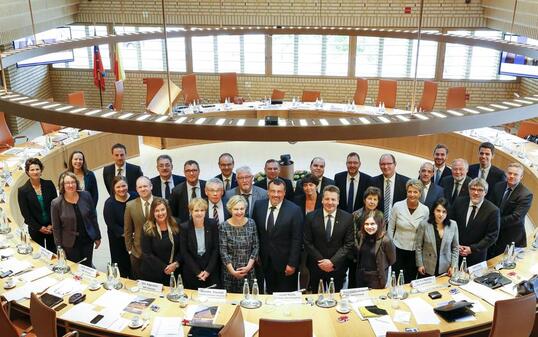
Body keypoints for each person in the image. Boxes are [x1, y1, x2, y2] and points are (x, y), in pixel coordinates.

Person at [252, 178, 303, 293]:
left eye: (279, 192)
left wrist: (292, 263)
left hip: (285, 263)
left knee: (286, 297)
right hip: (264, 261)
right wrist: (256, 255)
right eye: (273, 191)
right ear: (268, 192)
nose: (276, 195)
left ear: (284, 192)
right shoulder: (258, 206)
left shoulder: (295, 210)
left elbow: (297, 239)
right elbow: (255, 233)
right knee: (268, 294)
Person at [303, 185, 354, 292]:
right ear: (322, 200)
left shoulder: (348, 218)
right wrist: (322, 262)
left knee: (336, 297)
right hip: (316, 266)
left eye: (333, 199)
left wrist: (332, 262)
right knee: (317, 297)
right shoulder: (310, 217)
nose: (330, 202)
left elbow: (348, 243)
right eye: (327, 199)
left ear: (338, 201)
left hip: (337, 267)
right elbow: (307, 242)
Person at [51, 172, 101, 267]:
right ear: (62, 185)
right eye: (67, 183)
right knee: (74, 267)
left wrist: (97, 236)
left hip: (87, 239)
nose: (70, 185)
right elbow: (56, 227)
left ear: (76, 183)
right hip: (69, 244)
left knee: (87, 264)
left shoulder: (86, 195)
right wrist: (59, 247)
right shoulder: (56, 203)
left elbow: (93, 217)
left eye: (73, 182)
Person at [451, 178, 500, 266]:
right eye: (473, 189)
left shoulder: (493, 210)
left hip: (476, 256)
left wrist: (472, 249)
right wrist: (455, 244)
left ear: (485, 192)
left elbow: (492, 236)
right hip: (455, 252)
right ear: (469, 190)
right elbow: (450, 224)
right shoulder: (459, 202)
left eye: (480, 190)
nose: (476, 193)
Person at [388, 179, 429, 281]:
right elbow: (391, 228)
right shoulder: (397, 206)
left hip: (414, 251)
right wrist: (390, 246)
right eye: (409, 191)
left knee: (410, 279)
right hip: (397, 249)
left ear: (420, 193)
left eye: (415, 192)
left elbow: (425, 232)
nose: (412, 194)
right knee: (396, 278)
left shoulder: (425, 210)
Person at [488, 163, 533, 258]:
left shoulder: (526, 194)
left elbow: (516, 217)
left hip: (511, 235)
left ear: (521, 177)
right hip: (494, 232)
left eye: (515, 174)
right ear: (506, 174)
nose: (512, 176)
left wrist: (494, 222)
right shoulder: (498, 186)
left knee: (502, 261)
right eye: (510, 173)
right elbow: (490, 206)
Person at [219, 195, 259, 293]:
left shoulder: (251, 223)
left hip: (249, 270)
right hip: (230, 272)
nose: (239, 212)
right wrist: (232, 271)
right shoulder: (224, 226)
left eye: (242, 208)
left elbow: (256, 246)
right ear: (230, 209)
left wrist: (248, 267)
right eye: (236, 209)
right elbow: (223, 251)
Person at [18, 158, 57, 252]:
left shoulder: (49, 184)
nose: (35, 172)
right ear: (27, 172)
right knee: (40, 254)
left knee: (53, 253)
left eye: (37, 169)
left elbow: (56, 206)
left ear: (41, 170)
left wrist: (51, 224)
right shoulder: (22, 191)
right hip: (35, 229)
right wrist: (39, 228)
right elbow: (26, 214)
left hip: (51, 227)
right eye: (32, 170)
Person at [180, 198, 220, 289]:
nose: (199, 213)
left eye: (202, 210)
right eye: (196, 210)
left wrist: (208, 270)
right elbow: (184, 252)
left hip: (211, 270)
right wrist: (197, 272)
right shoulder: (184, 227)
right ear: (191, 211)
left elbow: (215, 249)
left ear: (205, 211)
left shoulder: (212, 224)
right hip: (192, 271)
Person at [140, 198, 181, 285]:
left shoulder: (177, 223)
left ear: (167, 210)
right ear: (153, 213)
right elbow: (147, 253)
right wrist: (164, 268)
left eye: (163, 210)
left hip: (174, 271)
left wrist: (176, 263)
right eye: (157, 211)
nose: (160, 213)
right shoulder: (147, 228)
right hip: (153, 273)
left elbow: (183, 248)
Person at [415, 198, 459, 277]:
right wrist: (420, 264)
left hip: (446, 267)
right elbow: (418, 247)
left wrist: (453, 266)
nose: (441, 214)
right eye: (438, 211)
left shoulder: (453, 225)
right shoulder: (424, 224)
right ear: (433, 211)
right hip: (427, 266)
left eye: (444, 211)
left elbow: (455, 248)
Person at [350, 186, 382, 287]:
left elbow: (381, 235)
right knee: (354, 283)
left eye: (375, 199)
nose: (372, 202)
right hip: (357, 256)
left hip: (373, 256)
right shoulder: (356, 214)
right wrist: (359, 251)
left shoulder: (380, 215)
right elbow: (353, 235)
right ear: (364, 200)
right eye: (369, 199)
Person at [355, 210, 396, 289]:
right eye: (366, 224)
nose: (369, 227)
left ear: (379, 224)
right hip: (361, 276)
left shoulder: (386, 240)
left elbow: (392, 260)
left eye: (372, 224)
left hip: (377, 278)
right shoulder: (360, 235)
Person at [103, 176, 135, 277]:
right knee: (122, 267)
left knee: (135, 266)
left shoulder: (135, 196)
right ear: (113, 188)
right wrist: (128, 235)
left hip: (136, 238)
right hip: (118, 240)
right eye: (118, 187)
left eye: (123, 186)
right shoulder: (109, 204)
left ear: (127, 185)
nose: (121, 189)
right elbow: (112, 225)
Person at [124, 176, 154, 279]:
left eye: (145, 186)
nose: (143, 189)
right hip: (137, 253)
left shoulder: (162, 202)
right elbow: (127, 230)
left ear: (151, 186)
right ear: (136, 189)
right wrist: (130, 250)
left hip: (158, 252)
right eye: (140, 187)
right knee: (139, 282)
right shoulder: (130, 206)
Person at [371, 153, 410, 223]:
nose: (385, 166)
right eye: (382, 164)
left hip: (398, 224)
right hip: (377, 224)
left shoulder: (406, 182)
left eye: (389, 164)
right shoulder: (372, 182)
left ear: (395, 164)